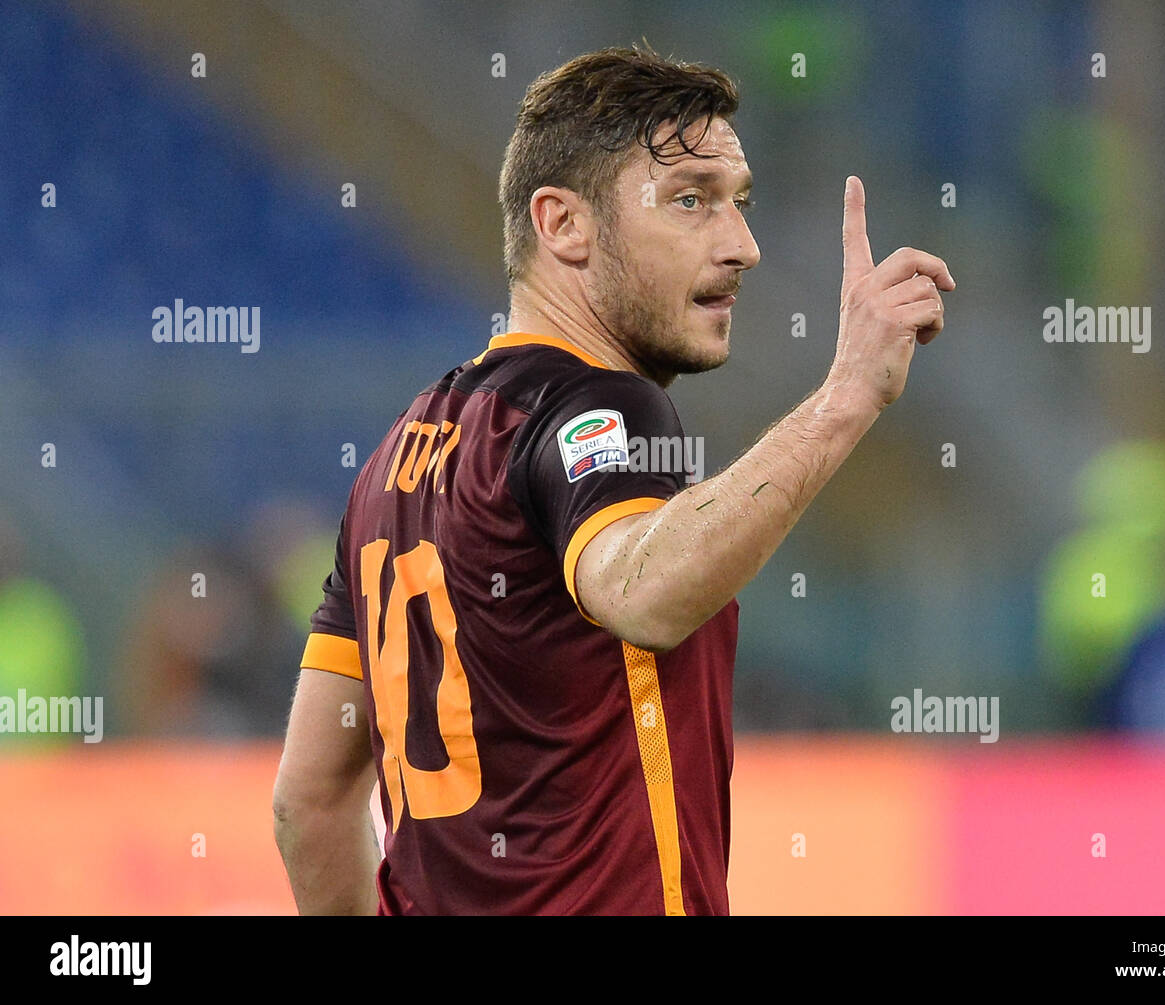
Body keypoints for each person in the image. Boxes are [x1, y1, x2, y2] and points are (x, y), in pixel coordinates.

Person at [273, 44, 954, 916]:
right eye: (690, 200)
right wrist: (846, 396)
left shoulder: (392, 462)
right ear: (563, 224)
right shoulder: (597, 404)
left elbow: (308, 801)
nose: (743, 246)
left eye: (739, 204)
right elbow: (640, 587)